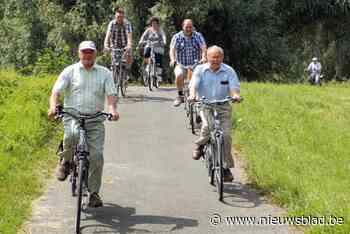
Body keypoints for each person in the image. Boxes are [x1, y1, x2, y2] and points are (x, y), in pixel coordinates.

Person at [48, 41, 119, 208]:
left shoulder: (105, 73)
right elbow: (56, 91)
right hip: (73, 116)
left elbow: (111, 94)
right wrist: (53, 106)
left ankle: (93, 193)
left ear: (96, 54)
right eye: (84, 52)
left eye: (90, 53)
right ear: (79, 53)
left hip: (95, 120)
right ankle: (66, 162)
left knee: (96, 157)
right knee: (71, 135)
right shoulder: (70, 71)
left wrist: (112, 109)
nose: (87, 56)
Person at [189, 45, 241, 182]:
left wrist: (235, 95)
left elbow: (234, 87)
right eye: (213, 57)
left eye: (218, 57)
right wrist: (193, 95)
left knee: (227, 136)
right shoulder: (200, 70)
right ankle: (200, 145)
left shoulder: (228, 71)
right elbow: (194, 85)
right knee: (207, 126)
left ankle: (226, 168)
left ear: (222, 58)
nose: (215, 60)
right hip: (205, 104)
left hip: (223, 105)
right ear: (207, 57)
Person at [169, 19, 207, 107]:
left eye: (190, 27)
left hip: (195, 64)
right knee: (179, 75)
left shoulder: (198, 35)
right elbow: (172, 50)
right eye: (187, 27)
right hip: (181, 64)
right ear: (183, 27)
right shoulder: (177, 36)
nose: (189, 29)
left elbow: (203, 47)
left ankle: (198, 104)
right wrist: (172, 59)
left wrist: (204, 57)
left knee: (198, 80)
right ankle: (180, 96)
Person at [138, 16, 167, 81]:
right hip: (150, 45)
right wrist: (141, 41)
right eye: (153, 23)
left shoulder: (160, 30)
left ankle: (158, 74)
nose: (154, 24)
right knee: (146, 53)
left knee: (159, 59)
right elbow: (143, 36)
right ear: (151, 24)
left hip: (158, 46)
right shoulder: (148, 30)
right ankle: (148, 66)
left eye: (155, 23)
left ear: (157, 24)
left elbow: (163, 35)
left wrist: (164, 41)